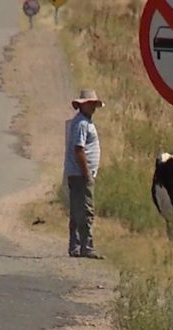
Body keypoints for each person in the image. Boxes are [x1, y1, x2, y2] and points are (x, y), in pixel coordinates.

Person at [64, 89, 105, 259]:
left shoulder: (83, 122)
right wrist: (86, 171)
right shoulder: (81, 124)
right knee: (85, 209)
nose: (93, 107)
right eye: (90, 104)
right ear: (83, 105)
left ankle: (76, 245)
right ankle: (85, 245)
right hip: (80, 174)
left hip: (77, 173)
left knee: (77, 210)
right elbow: (79, 149)